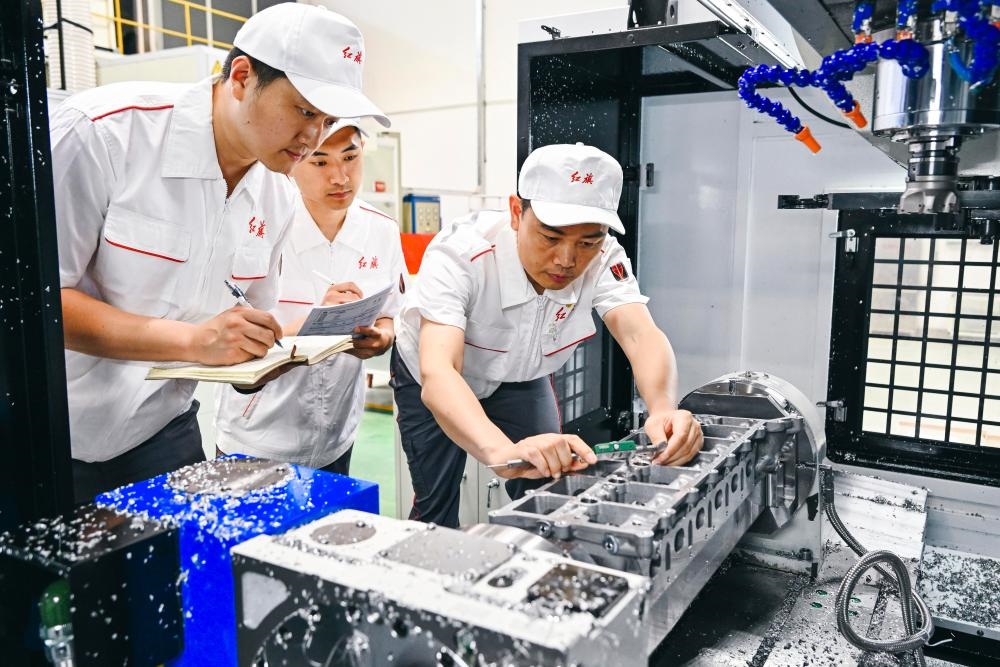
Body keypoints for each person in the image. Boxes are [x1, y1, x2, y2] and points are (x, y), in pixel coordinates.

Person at [51, 3, 389, 503]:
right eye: (304, 111)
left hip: (159, 427)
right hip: (52, 430)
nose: (313, 137)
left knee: (181, 555)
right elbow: (35, 305)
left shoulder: (276, 196)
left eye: (328, 120)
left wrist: (272, 353)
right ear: (242, 76)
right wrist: (192, 341)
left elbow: (245, 329)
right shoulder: (104, 134)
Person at [392, 142, 704, 527]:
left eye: (587, 242)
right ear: (515, 213)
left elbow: (640, 334)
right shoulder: (460, 255)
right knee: (436, 503)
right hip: (432, 379)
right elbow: (439, 372)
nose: (566, 260)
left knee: (550, 486)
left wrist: (663, 409)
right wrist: (502, 453)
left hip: (520, 378)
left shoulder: (603, 255)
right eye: (550, 237)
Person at [214, 119, 404, 474]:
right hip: (257, 439)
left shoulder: (382, 230)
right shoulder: (256, 229)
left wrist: (382, 337)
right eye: (320, 162)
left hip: (336, 437)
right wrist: (314, 325)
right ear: (294, 161)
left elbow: (389, 313)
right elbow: (227, 336)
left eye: (350, 158)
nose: (340, 177)